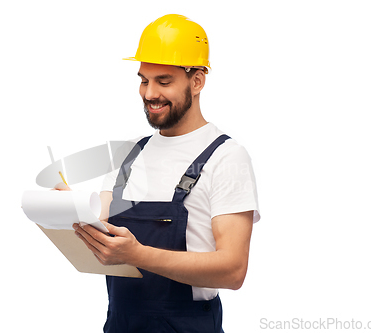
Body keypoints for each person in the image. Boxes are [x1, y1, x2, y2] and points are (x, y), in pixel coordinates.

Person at [59, 14, 260, 333]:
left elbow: (233, 270)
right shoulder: (128, 153)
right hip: (120, 324)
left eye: (163, 81)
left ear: (197, 81)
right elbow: (105, 222)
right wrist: (69, 211)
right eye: (143, 80)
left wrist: (139, 254)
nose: (149, 93)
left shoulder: (225, 157)